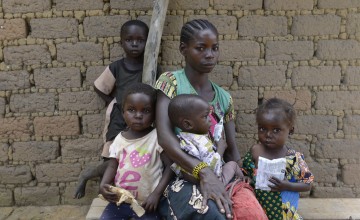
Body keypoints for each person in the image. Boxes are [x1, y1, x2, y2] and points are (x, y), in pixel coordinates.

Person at [155, 19, 266, 219]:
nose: (210, 55)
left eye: (214, 48)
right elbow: (164, 137)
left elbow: (231, 150)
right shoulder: (170, 82)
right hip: (183, 175)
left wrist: (240, 174)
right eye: (201, 48)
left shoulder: (224, 98)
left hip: (220, 174)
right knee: (214, 215)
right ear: (183, 49)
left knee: (252, 213)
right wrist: (203, 172)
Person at [74, 20, 161, 199]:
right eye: (129, 40)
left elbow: (158, 94)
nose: (135, 44)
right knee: (113, 158)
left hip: (142, 119)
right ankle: (95, 181)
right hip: (119, 119)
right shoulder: (117, 67)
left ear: (148, 42)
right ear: (121, 42)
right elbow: (99, 86)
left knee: (137, 154)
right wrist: (114, 103)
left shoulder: (152, 68)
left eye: (140, 40)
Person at [99, 83, 173, 219]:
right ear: (123, 112)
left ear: (155, 114)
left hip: (148, 203)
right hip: (121, 201)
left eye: (146, 111)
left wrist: (156, 194)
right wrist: (104, 184)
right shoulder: (119, 140)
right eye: (131, 110)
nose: (138, 115)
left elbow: (170, 167)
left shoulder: (157, 137)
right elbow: (112, 165)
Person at [242, 98, 314, 219]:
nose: (268, 135)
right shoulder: (255, 152)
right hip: (257, 213)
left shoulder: (293, 158)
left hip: (285, 215)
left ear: (290, 131)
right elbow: (244, 172)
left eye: (276, 130)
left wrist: (287, 186)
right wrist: (247, 178)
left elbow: (308, 185)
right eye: (262, 129)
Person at [168, 94, 243, 185]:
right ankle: (241, 183)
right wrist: (220, 149)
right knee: (233, 165)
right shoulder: (200, 141)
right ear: (188, 124)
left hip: (190, 181)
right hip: (211, 181)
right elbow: (211, 169)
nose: (210, 120)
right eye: (205, 116)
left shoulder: (181, 139)